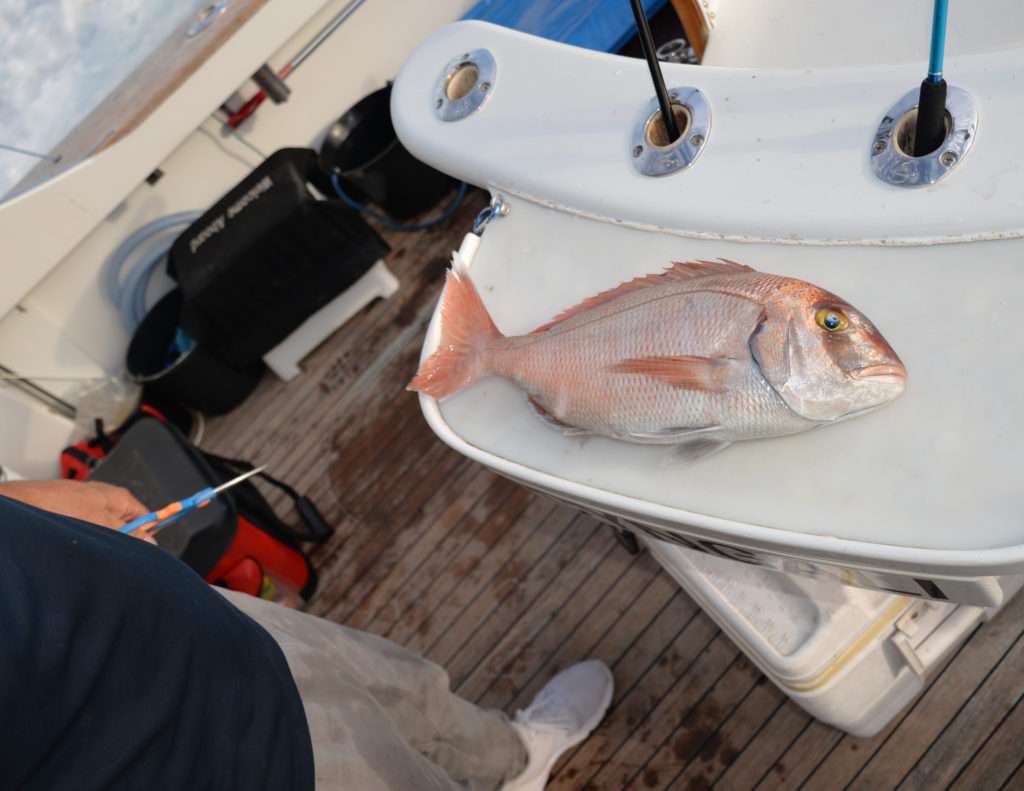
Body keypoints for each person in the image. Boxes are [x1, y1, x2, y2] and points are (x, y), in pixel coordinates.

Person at [0, 479, 613, 790]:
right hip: (212, 763)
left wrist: (23, 499)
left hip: (201, 619)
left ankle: (512, 761)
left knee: (400, 689)